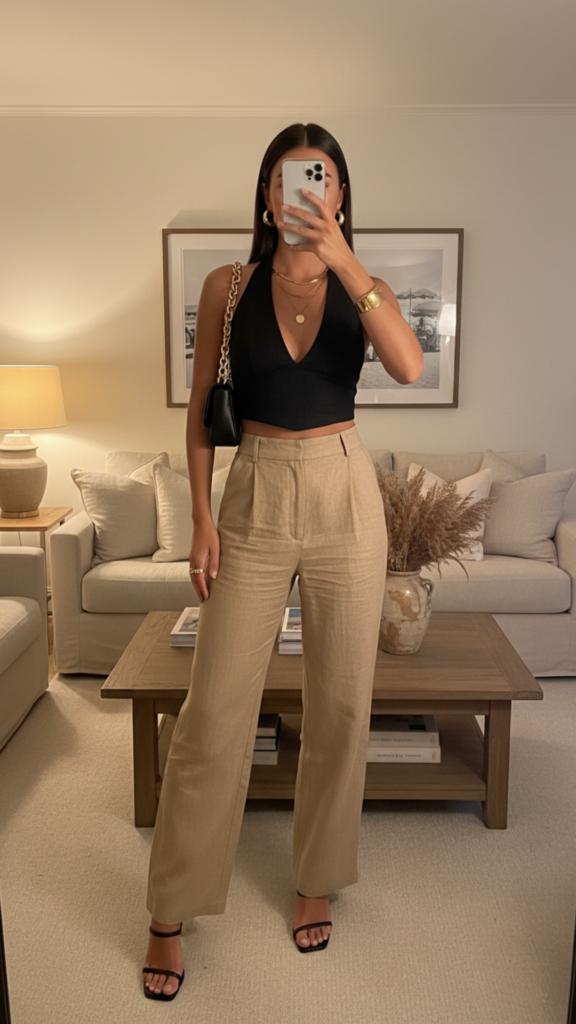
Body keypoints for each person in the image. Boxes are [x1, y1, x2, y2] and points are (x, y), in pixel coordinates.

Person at [142, 123, 423, 1000]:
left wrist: (342, 258)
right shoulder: (230, 284)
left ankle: (316, 879)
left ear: (340, 194)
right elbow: (201, 409)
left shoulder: (363, 285)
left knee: (340, 706)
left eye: (322, 176)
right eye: (289, 177)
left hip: (345, 493)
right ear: (267, 194)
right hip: (256, 489)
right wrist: (200, 517)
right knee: (213, 712)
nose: (305, 189)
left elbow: (409, 366)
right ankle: (168, 910)